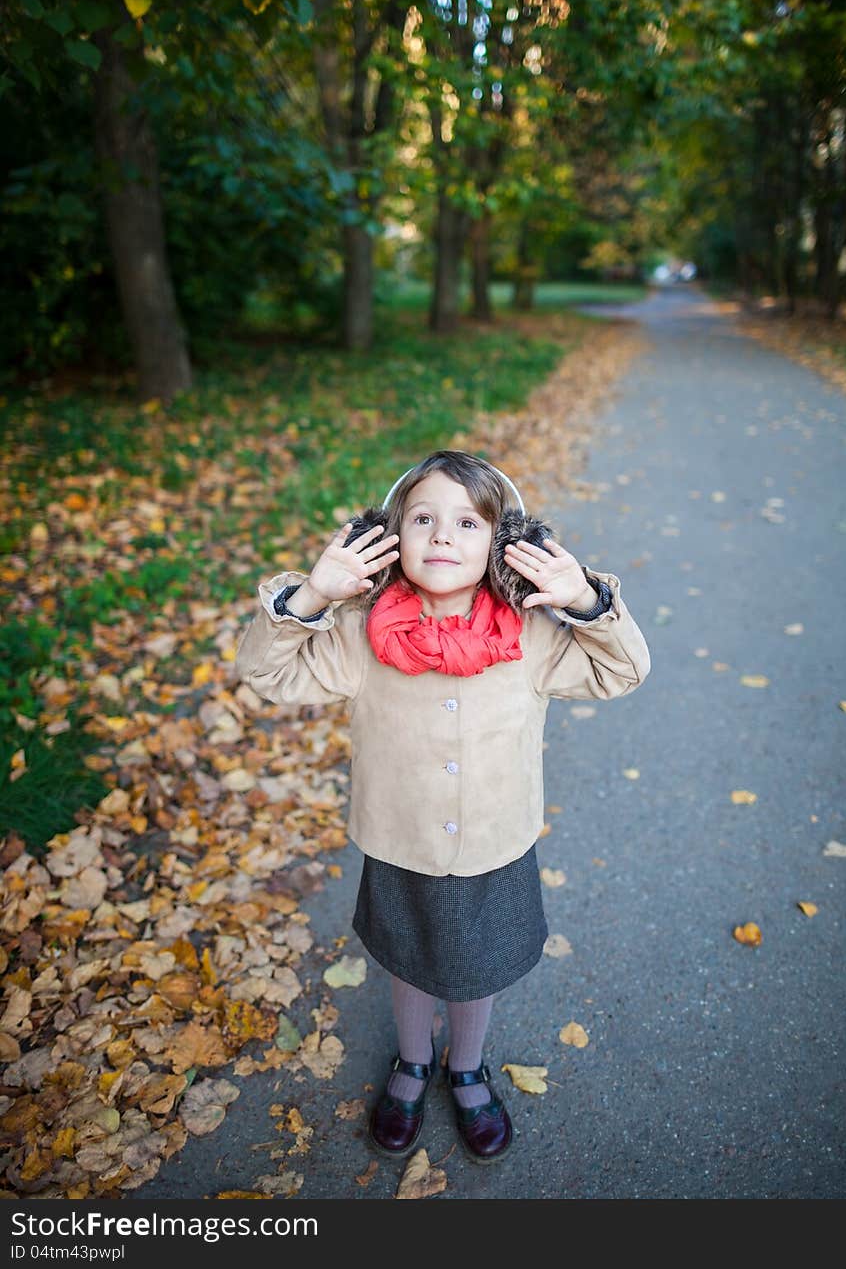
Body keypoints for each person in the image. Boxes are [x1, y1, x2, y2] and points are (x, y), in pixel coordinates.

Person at [235, 449, 651, 1165]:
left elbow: (624, 669)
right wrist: (312, 595)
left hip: (495, 842)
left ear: (503, 544)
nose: (442, 536)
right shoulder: (362, 634)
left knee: (474, 966)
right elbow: (268, 673)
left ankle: (466, 1066)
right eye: (423, 518)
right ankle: (410, 1060)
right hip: (402, 841)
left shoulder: (537, 633)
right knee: (409, 958)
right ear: (391, 534)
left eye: (467, 522)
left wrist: (583, 599)